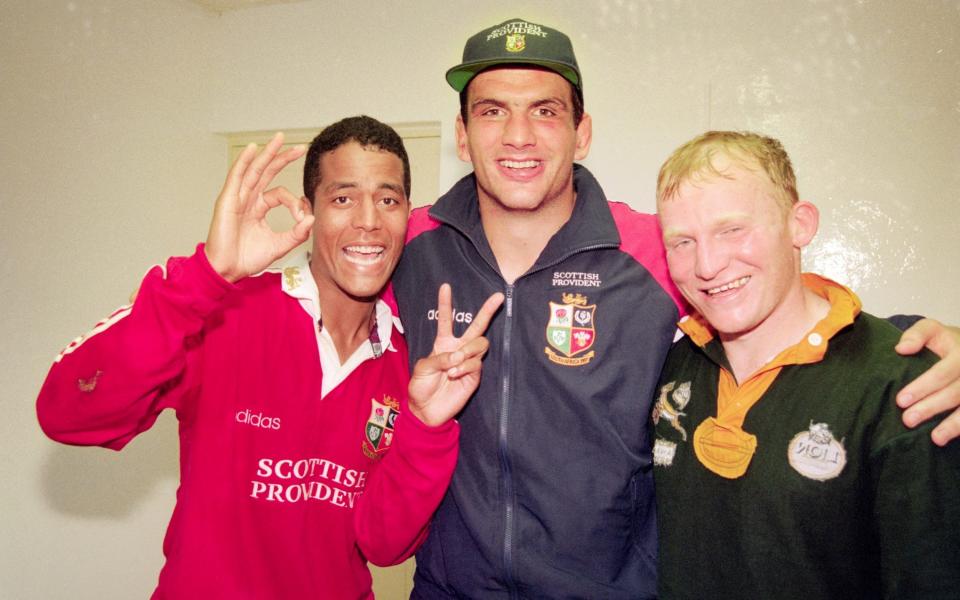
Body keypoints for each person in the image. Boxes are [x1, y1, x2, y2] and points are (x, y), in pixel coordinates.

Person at [390, 18, 960, 598]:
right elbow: (326, 308)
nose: (518, 136)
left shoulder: (649, 249)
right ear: (461, 136)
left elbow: (771, 293)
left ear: (581, 132)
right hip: (449, 587)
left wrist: (916, 344)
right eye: (491, 111)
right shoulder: (410, 245)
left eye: (545, 110)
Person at [36, 116, 503, 599]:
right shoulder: (222, 308)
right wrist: (206, 275)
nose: (369, 220)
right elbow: (68, 414)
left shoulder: (405, 361)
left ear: (408, 213)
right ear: (308, 211)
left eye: (388, 200)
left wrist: (425, 428)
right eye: (342, 199)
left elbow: (384, 545)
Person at [651, 130, 960, 598]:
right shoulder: (674, 364)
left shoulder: (907, 386)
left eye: (732, 229)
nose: (708, 265)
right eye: (682, 242)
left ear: (801, 224)